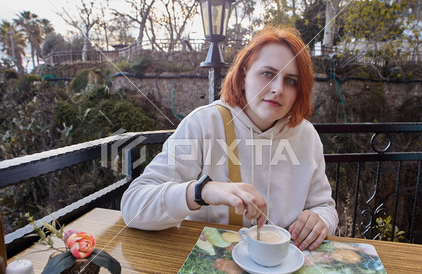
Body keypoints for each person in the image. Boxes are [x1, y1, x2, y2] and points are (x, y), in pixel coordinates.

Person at [121, 26, 338, 251]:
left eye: (291, 80)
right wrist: (202, 191)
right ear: (243, 76)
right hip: (209, 269)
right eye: (267, 74)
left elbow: (325, 207)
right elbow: (134, 206)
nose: (278, 89)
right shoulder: (203, 124)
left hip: (286, 266)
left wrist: (320, 219)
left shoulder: (307, 136)